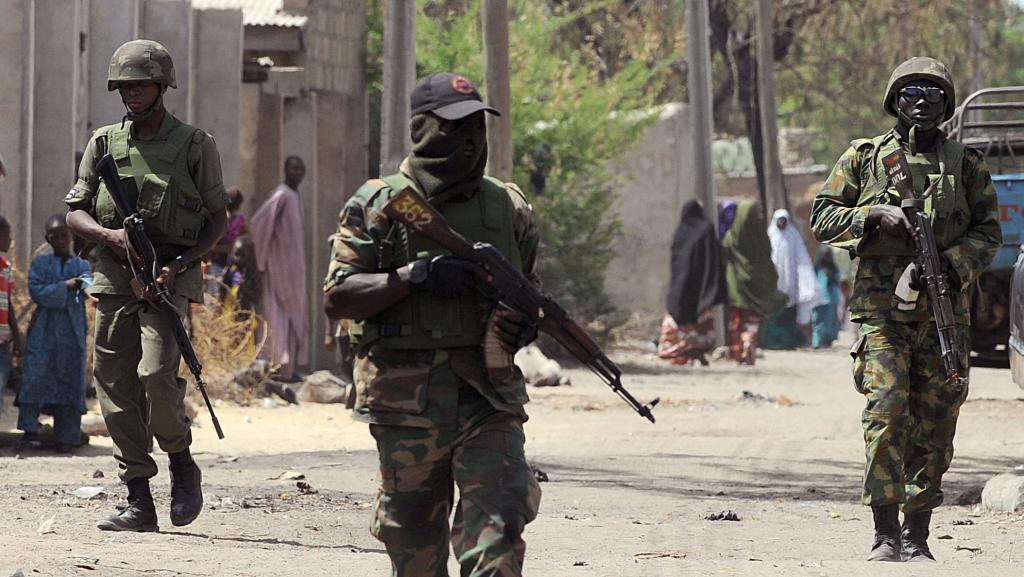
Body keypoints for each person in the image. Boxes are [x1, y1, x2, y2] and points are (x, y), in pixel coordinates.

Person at [323, 72, 542, 577]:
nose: (468, 141)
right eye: (454, 127)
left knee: (500, 525)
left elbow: (527, 293)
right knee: (414, 548)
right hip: (406, 404)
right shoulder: (379, 205)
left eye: (476, 127)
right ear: (423, 130)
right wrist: (413, 277)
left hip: (489, 398)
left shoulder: (508, 207)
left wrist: (522, 325)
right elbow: (338, 299)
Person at [810, 57, 1001, 562]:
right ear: (895, 99)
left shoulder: (966, 164)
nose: (922, 100)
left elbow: (988, 235)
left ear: (946, 103)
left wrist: (947, 264)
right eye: (911, 91)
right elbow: (823, 217)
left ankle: (918, 533)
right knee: (886, 411)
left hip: (944, 317)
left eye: (933, 93)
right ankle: (884, 531)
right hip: (881, 316)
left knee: (936, 422)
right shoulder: (864, 157)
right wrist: (874, 216)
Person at [65, 39, 228, 532]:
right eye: (125, 85)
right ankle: (139, 498)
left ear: (162, 87)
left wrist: (179, 265)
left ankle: (182, 464)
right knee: (114, 389)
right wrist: (109, 234)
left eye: (140, 84)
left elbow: (217, 222)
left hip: (168, 277)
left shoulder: (196, 145)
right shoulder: (104, 143)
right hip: (116, 277)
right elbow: (75, 212)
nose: (131, 93)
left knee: (157, 377)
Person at [16, 214, 92, 453]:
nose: (60, 240)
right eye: (54, 236)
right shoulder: (39, 264)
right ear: (47, 239)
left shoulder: (83, 266)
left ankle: (67, 436)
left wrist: (79, 287)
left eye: (64, 235)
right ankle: (30, 431)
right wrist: (66, 286)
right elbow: (37, 292)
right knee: (36, 375)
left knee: (70, 377)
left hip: (72, 328)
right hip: (44, 328)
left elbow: (89, 292)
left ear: (71, 236)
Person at [249, 157, 308, 381]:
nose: (298, 172)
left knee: (294, 317)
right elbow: (258, 223)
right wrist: (263, 260)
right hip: (277, 266)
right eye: (294, 168)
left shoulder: (295, 196)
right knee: (276, 315)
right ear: (285, 170)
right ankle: (274, 366)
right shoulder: (281, 194)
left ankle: (288, 369)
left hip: (294, 269)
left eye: (301, 169)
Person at [658, 200, 726, 366]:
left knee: (678, 317)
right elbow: (713, 258)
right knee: (698, 321)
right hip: (700, 286)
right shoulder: (706, 229)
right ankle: (692, 350)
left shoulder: (681, 232)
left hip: (680, 287)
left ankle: (683, 351)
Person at [720, 201, 788, 365]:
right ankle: (748, 345)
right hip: (757, 287)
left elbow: (724, 257)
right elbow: (768, 260)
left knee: (736, 320)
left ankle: (737, 352)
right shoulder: (761, 237)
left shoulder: (731, 238)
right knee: (752, 320)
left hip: (737, 288)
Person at [762, 209, 822, 349]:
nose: (782, 223)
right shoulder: (770, 236)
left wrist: (805, 279)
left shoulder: (793, 236)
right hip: (774, 283)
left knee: (789, 313)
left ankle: (788, 342)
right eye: (779, 220)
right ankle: (773, 342)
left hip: (791, 283)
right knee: (774, 312)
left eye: (784, 220)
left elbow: (802, 259)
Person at [205, 186, 247, 297]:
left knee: (216, 290)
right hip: (224, 259)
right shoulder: (237, 219)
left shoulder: (224, 218)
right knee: (219, 290)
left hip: (220, 259)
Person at [0, 216, 23, 413]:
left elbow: (9, 304)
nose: (10, 240)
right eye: (7, 235)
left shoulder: (6, 268)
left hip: (3, 340)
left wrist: (17, 334)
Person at [810, 245, 842, 349]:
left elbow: (838, 279)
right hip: (817, 299)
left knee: (829, 323)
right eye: (825, 254)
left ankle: (827, 341)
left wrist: (831, 276)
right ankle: (816, 342)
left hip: (830, 299)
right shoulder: (816, 268)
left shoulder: (834, 268)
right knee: (816, 321)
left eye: (828, 255)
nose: (826, 257)